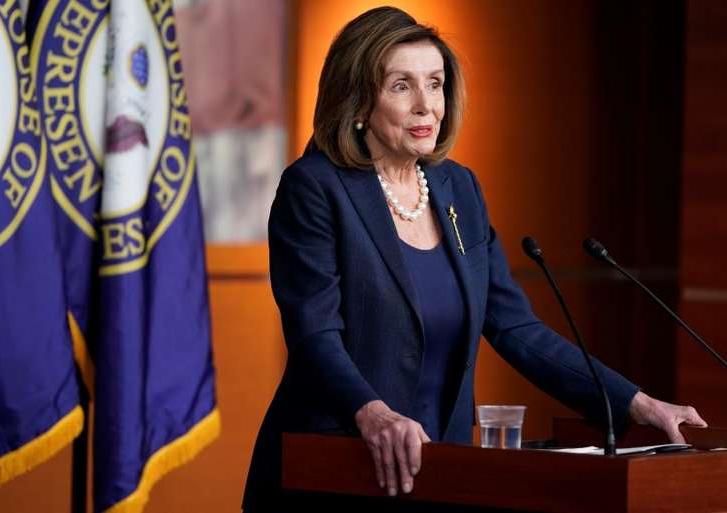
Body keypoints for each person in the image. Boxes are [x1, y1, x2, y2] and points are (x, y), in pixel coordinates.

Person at [243, 6, 707, 512]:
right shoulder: (315, 188)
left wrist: (635, 403)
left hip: (443, 470)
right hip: (334, 466)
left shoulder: (457, 188)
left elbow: (516, 329)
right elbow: (314, 333)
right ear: (357, 102)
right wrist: (371, 412)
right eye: (401, 86)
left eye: (435, 84)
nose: (426, 106)